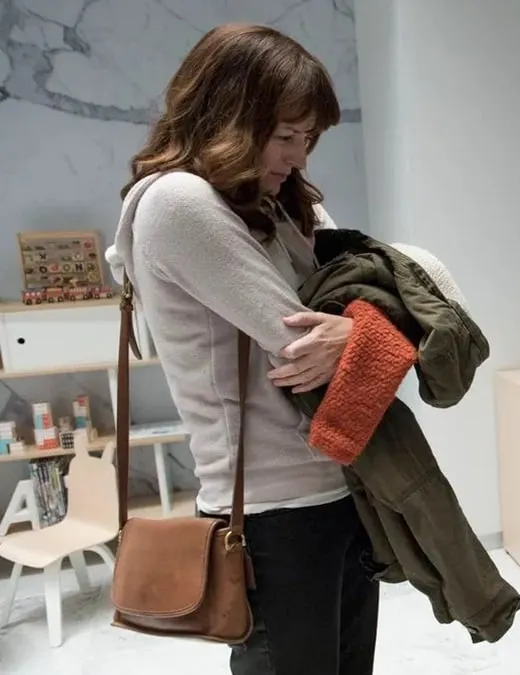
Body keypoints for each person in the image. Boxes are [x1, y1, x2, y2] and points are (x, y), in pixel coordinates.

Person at [106, 24, 377, 674]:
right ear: (228, 113)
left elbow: (387, 291)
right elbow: (310, 339)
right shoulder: (179, 203)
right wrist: (368, 331)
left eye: (309, 138)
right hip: (272, 516)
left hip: (338, 489)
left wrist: (365, 330)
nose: (299, 155)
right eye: (286, 135)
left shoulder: (282, 203)